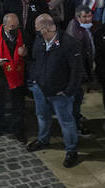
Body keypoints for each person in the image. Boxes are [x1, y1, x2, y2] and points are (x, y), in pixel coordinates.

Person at [27, 14, 83, 166]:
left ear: (45, 29)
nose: (36, 32)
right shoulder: (39, 40)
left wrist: (68, 91)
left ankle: (71, 150)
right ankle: (43, 140)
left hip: (60, 94)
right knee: (42, 116)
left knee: (66, 121)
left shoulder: (69, 43)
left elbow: (77, 71)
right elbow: (34, 60)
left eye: (37, 29)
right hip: (40, 89)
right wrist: (33, 81)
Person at [0, 12, 27, 141]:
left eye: (17, 26)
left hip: (18, 75)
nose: (15, 29)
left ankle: (17, 128)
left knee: (18, 104)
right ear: (5, 26)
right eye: (12, 27)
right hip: (0, 76)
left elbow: (32, 55)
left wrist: (25, 53)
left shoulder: (23, 35)